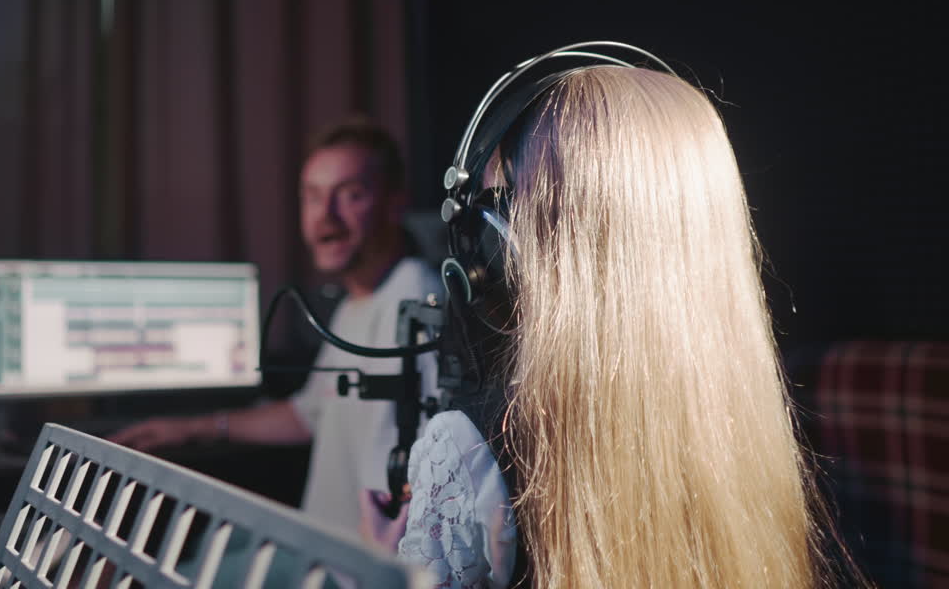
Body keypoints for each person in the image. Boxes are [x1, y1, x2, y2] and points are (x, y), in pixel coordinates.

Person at [362, 63, 858, 588]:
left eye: (495, 212)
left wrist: (385, 564)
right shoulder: (754, 431)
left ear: (506, 246)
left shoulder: (466, 449)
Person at [109, 117, 442, 538]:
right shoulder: (355, 302)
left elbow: (400, 484)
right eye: (313, 197)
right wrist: (193, 428)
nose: (326, 217)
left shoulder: (412, 298)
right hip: (318, 551)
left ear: (394, 205)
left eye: (351, 195)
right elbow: (310, 414)